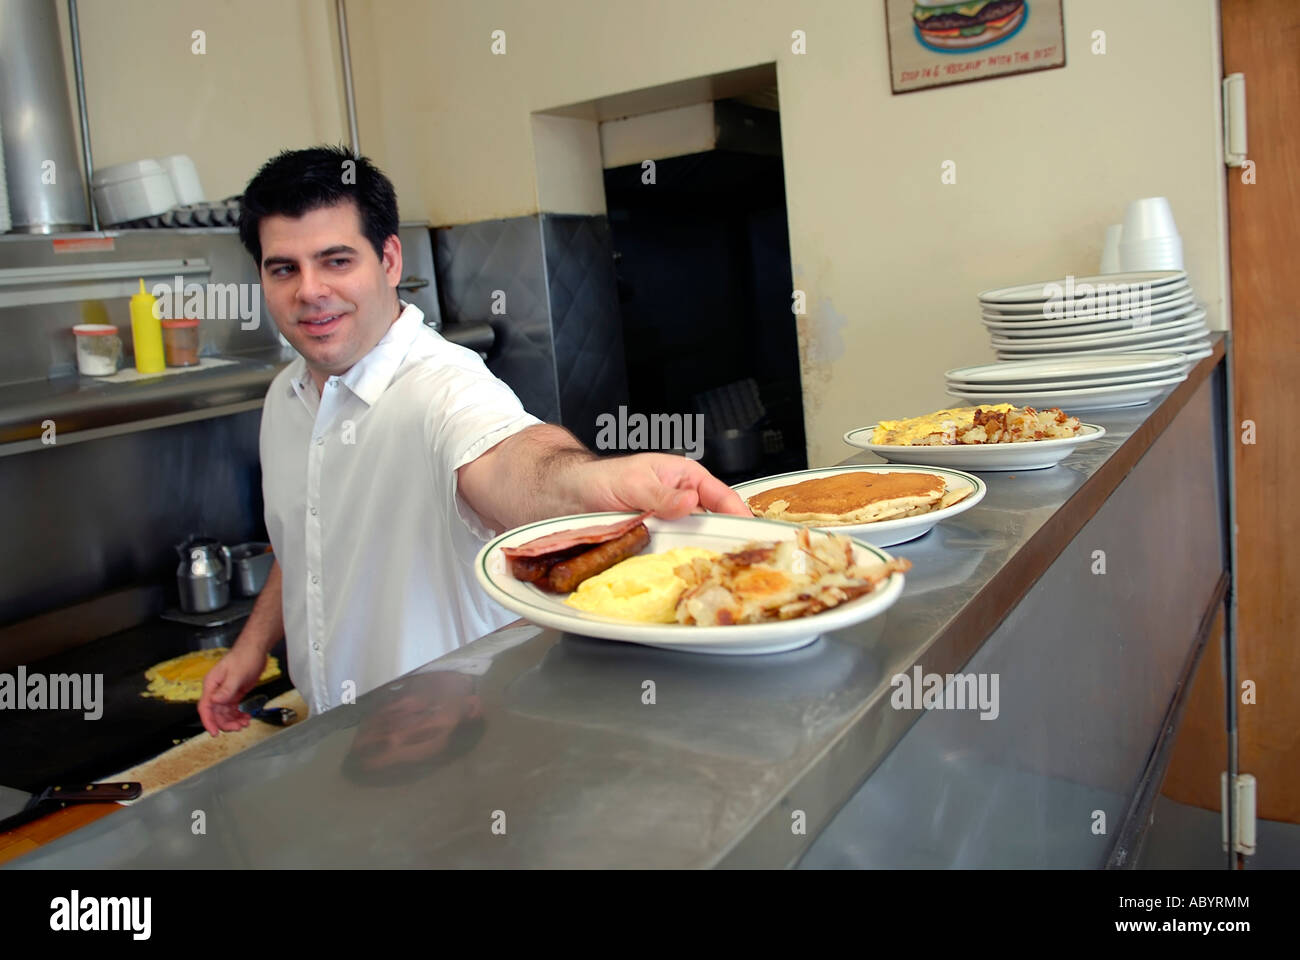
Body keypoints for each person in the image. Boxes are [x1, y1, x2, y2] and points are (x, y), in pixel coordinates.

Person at [199, 146, 747, 734]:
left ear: (388, 260)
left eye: (336, 261)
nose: (309, 290)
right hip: (334, 735)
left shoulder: (441, 386)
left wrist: (591, 481)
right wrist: (253, 645)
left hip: (454, 742)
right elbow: (304, 536)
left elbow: (509, 461)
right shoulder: (286, 398)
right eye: (284, 268)